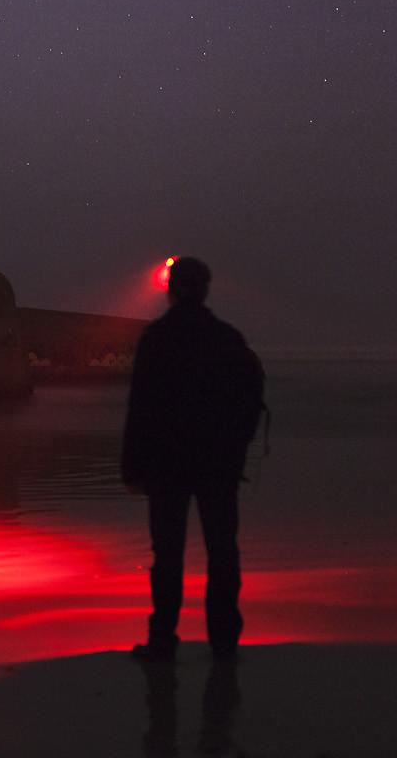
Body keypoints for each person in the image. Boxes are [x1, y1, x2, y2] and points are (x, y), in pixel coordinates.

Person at [121, 256, 264, 661]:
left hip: (166, 465)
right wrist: (236, 451)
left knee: (167, 554)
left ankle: (163, 639)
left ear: (171, 290)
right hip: (219, 463)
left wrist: (132, 466)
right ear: (205, 289)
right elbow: (249, 403)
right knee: (222, 550)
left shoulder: (157, 339)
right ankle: (224, 639)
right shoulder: (228, 339)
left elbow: (141, 408)